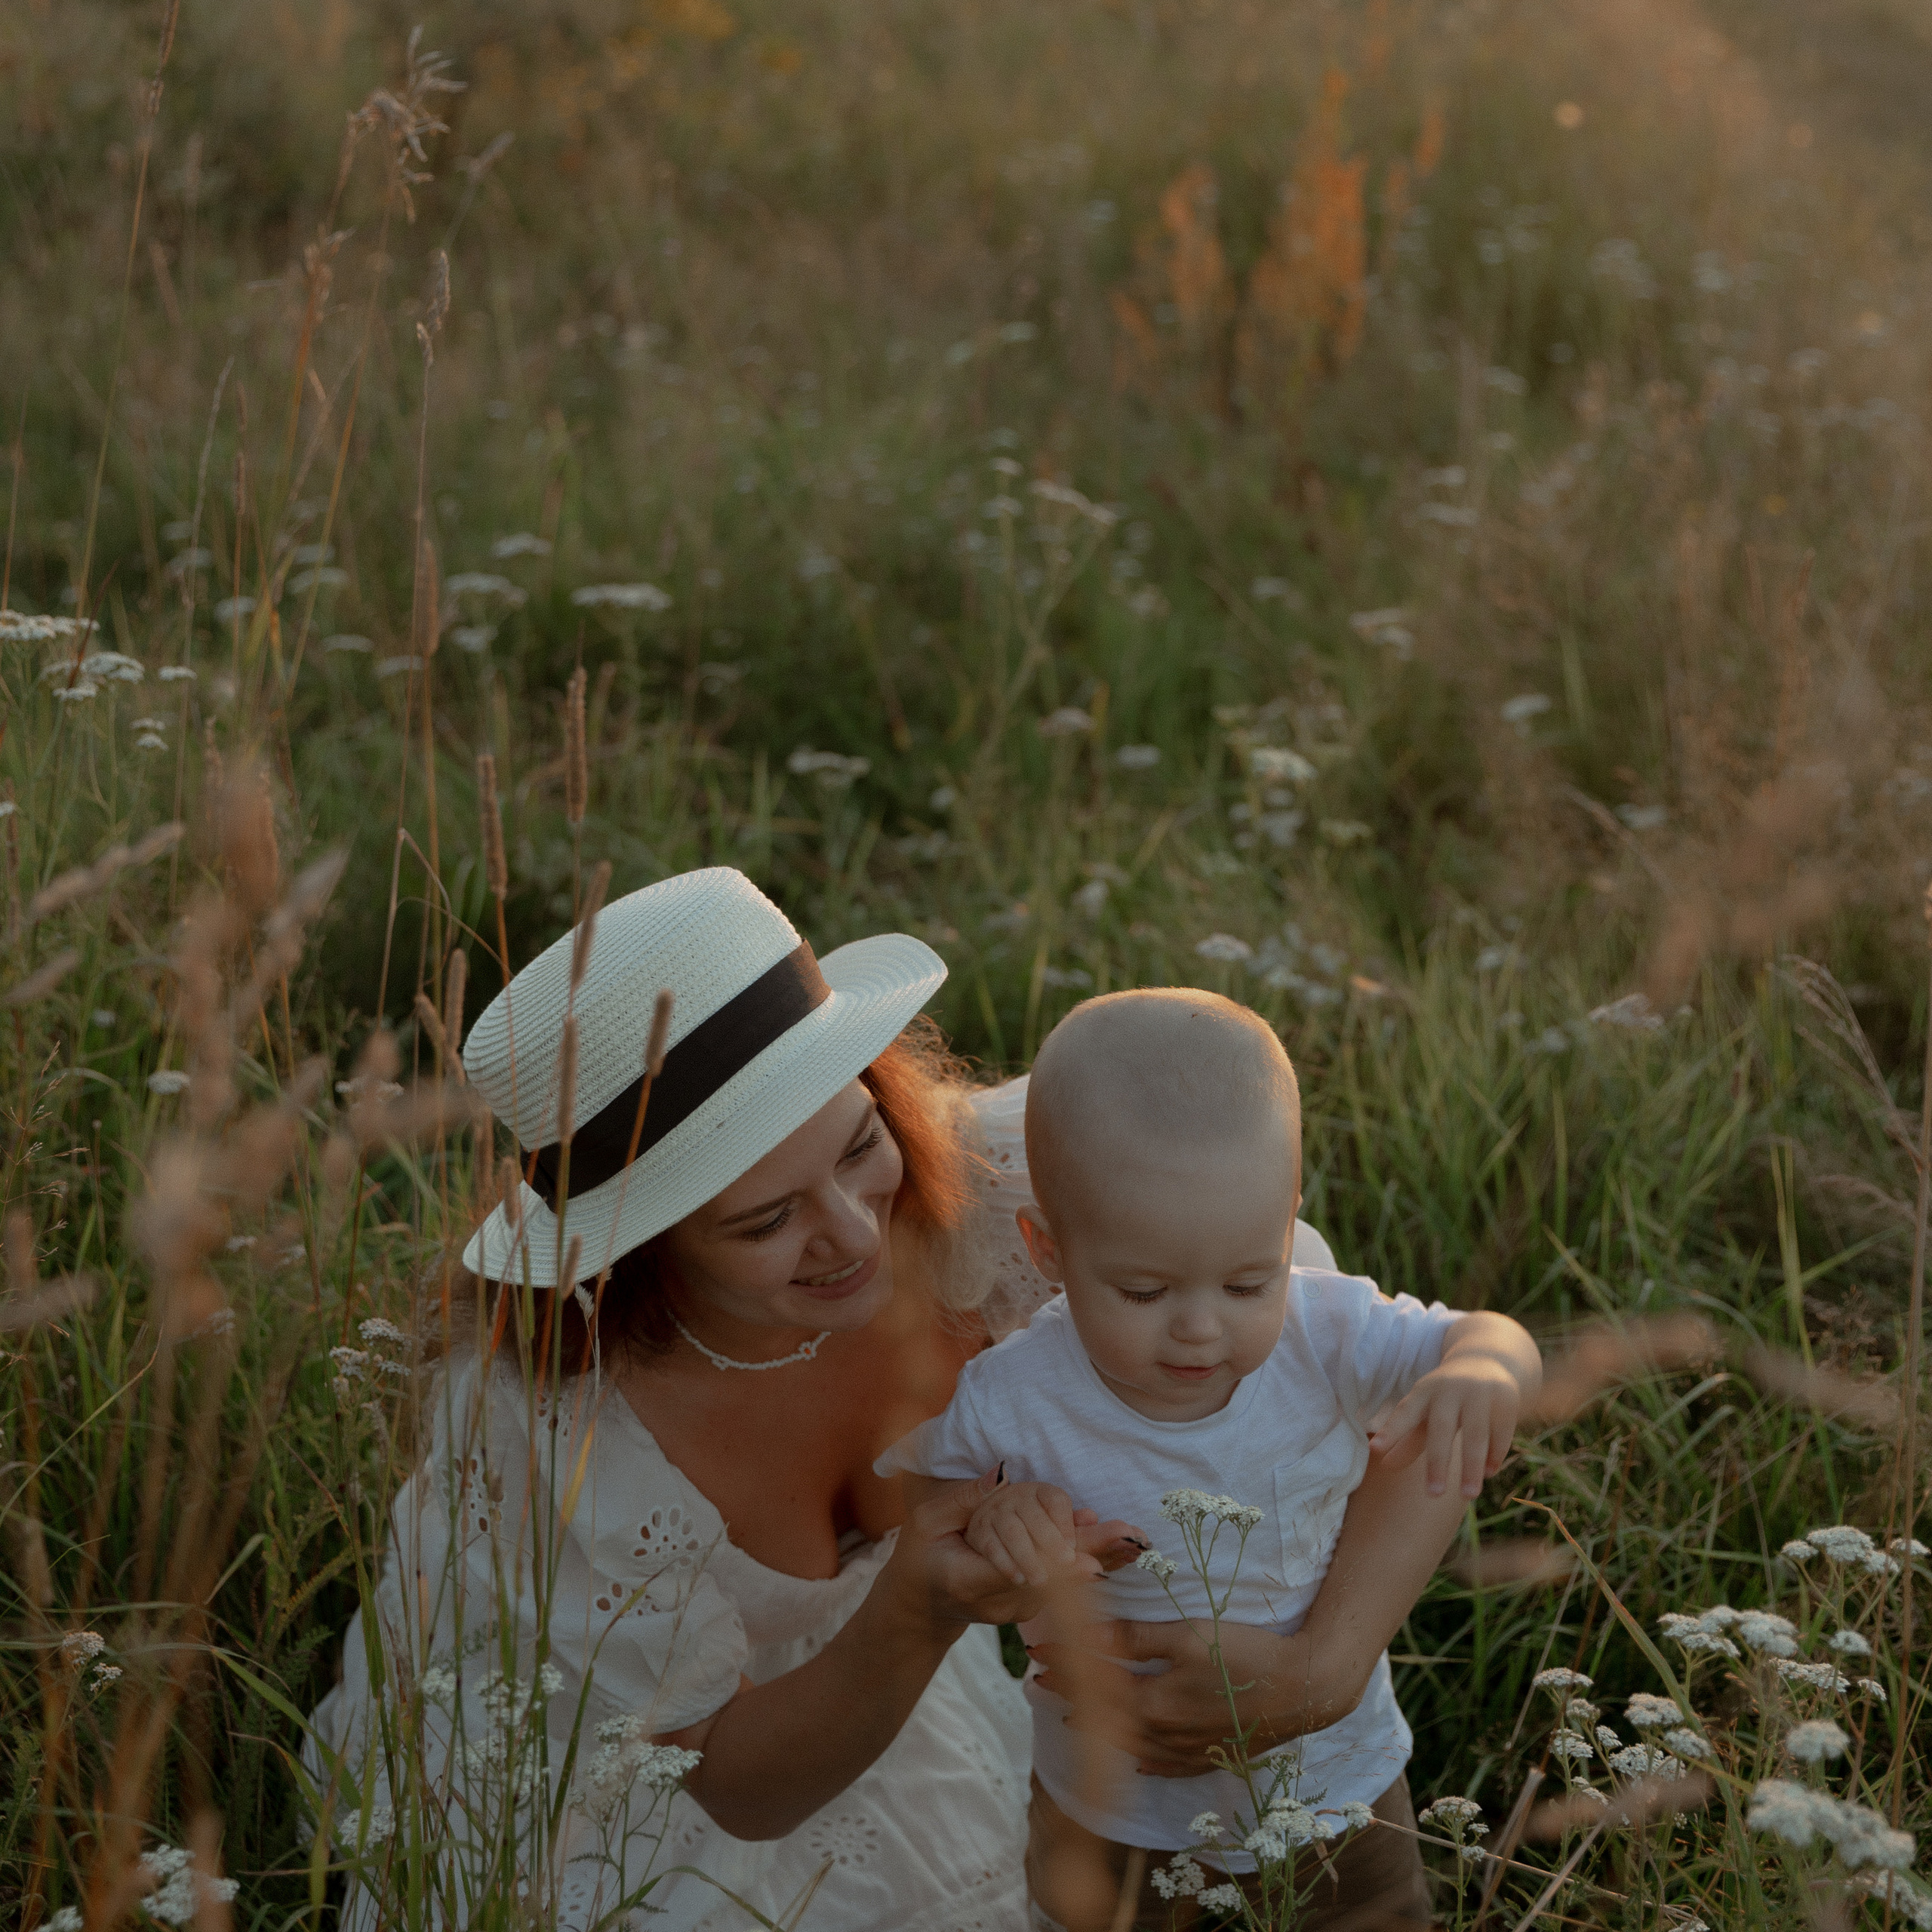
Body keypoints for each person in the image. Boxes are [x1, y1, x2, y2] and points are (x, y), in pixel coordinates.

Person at [306, 869, 1487, 1932]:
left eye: (860, 1144)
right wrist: (916, 1610)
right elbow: (728, 1787)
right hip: (660, 1755)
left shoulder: (1037, 1195)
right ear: (636, 1254)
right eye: (765, 1221)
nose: (852, 1231)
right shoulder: (553, 1438)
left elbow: (1366, 1384)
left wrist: (1326, 1670)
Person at [877, 989, 1543, 1930]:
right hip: (1110, 1802)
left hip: (1332, 1784)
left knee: (1378, 1914)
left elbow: (1485, 1334)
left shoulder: (1324, 1328)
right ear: (1048, 1250)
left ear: (1286, 1226)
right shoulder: (1014, 1389)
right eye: (1142, 1290)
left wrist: (1483, 1366)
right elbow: (910, 1490)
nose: (1199, 1327)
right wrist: (991, 1510)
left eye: (1246, 1279)